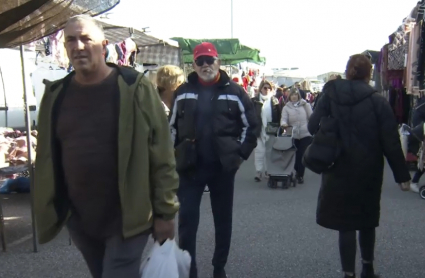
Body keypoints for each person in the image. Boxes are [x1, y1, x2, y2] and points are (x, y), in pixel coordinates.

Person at [33, 15, 179, 278]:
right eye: (71, 40)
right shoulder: (56, 94)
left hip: (129, 219)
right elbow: (46, 155)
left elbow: (162, 154)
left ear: (104, 45)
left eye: (86, 39)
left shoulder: (134, 86)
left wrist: (166, 212)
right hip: (81, 220)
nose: (78, 46)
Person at [308, 54, 411, 278]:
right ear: (369, 74)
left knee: (345, 224)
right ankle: (368, 268)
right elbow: (391, 142)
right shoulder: (378, 102)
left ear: (347, 71)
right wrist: (402, 176)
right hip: (368, 168)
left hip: (337, 167)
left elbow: (311, 125)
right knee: (366, 220)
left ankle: (348, 274)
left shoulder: (330, 95)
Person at [169, 42, 257, 278]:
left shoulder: (235, 91)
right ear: (194, 65)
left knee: (222, 220)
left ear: (218, 61)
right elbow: (172, 130)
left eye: (210, 60)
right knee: (187, 223)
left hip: (222, 168)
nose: (205, 65)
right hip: (189, 168)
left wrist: (239, 155)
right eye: (200, 61)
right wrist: (171, 159)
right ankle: (190, 271)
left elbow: (252, 125)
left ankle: (219, 267)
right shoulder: (182, 92)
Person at [280, 87, 312, 184]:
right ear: (289, 96)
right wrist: (284, 124)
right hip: (293, 134)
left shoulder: (305, 105)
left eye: (296, 95)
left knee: (302, 155)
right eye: (292, 95)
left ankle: (300, 175)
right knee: (295, 155)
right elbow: (284, 119)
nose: (294, 97)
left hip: (305, 133)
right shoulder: (286, 107)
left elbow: (311, 116)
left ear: (299, 96)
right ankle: (296, 170)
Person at [251, 80, 281, 181]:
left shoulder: (274, 101)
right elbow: (250, 115)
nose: (267, 90)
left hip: (271, 128)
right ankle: (258, 172)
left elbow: (279, 115)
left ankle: (268, 171)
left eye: (269, 88)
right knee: (259, 151)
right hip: (258, 129)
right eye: (265, 88)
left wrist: (279, 128)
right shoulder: (254, 101)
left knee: (269, 152)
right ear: (261, 89)